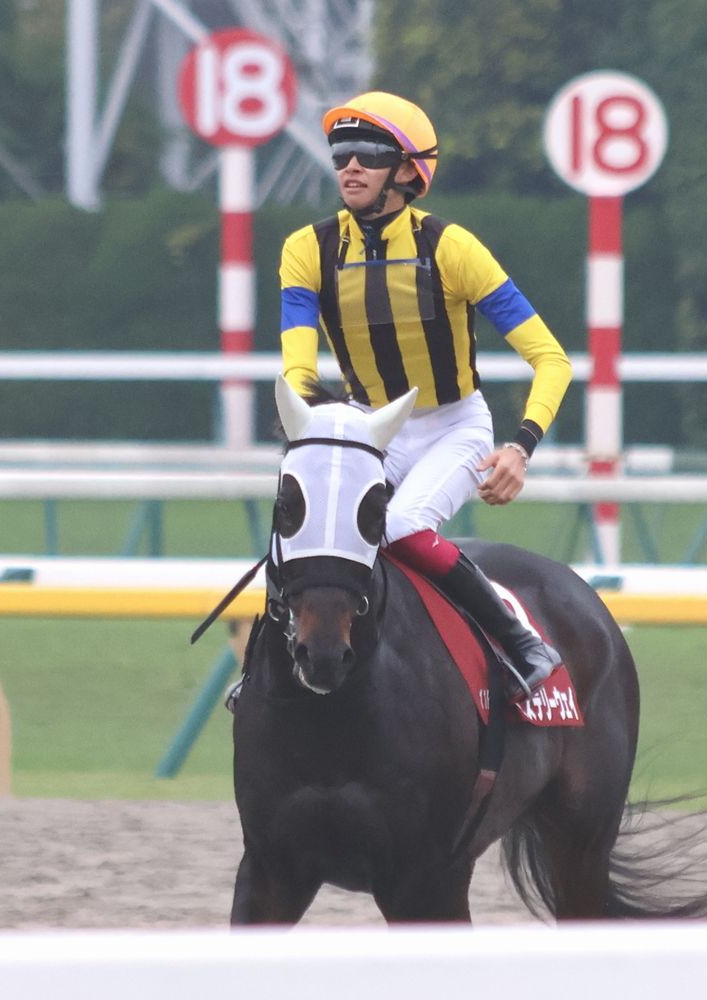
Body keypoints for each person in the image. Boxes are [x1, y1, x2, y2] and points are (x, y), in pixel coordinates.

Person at [271, 90, 574, 702]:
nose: (350, 166)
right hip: (367, 427)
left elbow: (551, 359)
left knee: (403, 525)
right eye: (340, 154)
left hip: (454, 427)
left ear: (409, 170)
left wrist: (520, 447)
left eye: (368, 154)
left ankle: (521, 642)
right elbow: (298, 368)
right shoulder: (307, 249)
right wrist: (314, 431)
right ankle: (272, 667)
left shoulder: (452, 248)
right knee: (303, 525)